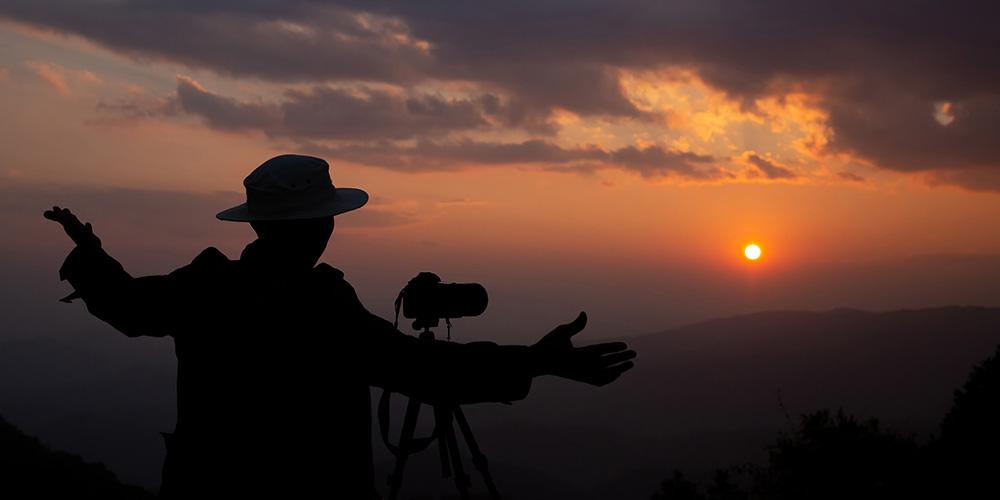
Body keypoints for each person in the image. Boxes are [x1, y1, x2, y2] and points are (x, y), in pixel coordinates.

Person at [45, 154, 636, 499]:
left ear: (257, 224)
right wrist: (536, 359)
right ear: (322, 226)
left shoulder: (205, 284)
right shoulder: (320, 306)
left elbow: (127, 306)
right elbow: (425, 369)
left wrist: (92, 255)